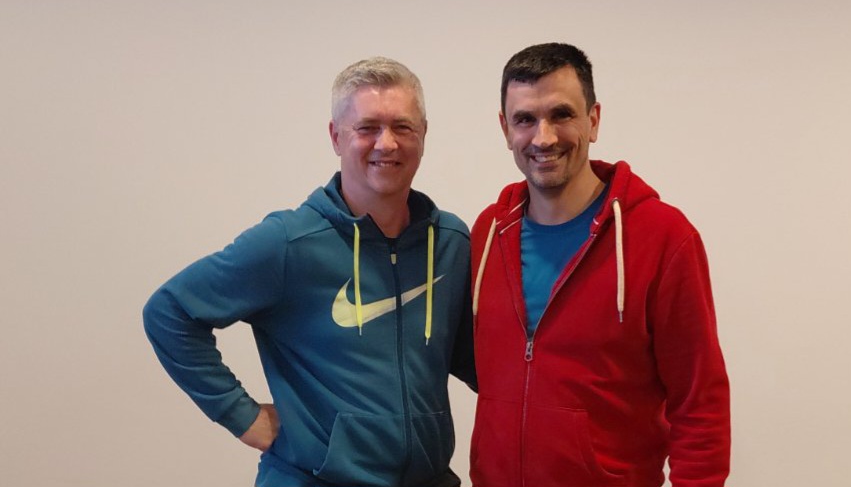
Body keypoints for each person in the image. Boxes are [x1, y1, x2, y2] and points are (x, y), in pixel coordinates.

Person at [144, 57, 475, 487]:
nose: (387, 143)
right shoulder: (289, 243)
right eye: (368, 127)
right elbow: (169, 311)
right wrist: (241, 416)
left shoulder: (450, 241)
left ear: (424, 134)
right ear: (336, 136)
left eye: (403, 127)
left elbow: (472, 357)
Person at [469, 43, 730, 486]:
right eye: (525, 119)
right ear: (505, 128)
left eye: (562, 115)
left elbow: (700, 404)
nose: (543, 138)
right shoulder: (488, 233)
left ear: (593, 120)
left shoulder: (663, 238)